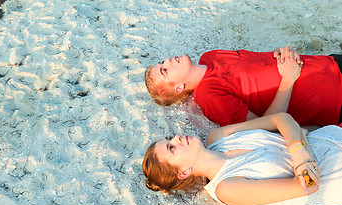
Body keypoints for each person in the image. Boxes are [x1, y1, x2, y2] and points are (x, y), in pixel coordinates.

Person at [142, 112, 342, 205]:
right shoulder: (227, 187)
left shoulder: (217, 137)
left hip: (334, 134)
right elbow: (308, 186)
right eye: (172, 148)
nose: (177, 138)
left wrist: (298, 150)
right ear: (184, 172)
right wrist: (300, 136)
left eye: (170, 139)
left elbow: (281, 118)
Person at [145, 46, 342, 127]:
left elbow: (256, 63)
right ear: (179, 87)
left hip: (329, 63)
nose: (168, 61)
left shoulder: (211, 56)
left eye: (163, 62)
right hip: (334, 98)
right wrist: (288, 79)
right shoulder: (209, 95)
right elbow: (267, 126)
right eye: (165, 70)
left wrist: (281, 53)